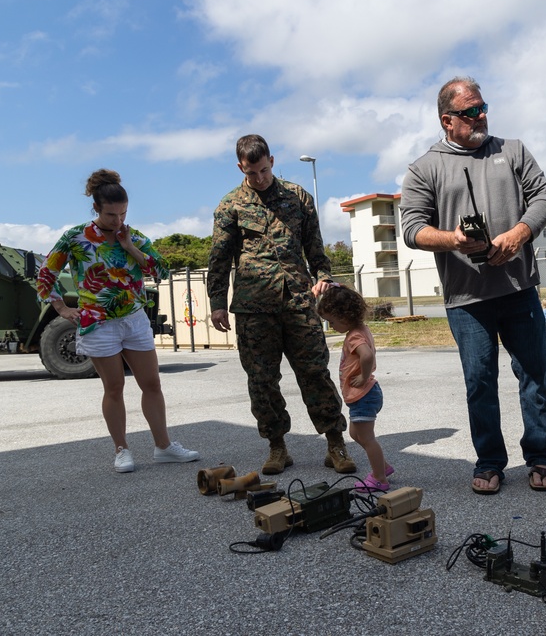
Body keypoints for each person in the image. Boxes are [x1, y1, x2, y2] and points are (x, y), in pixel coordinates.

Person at [400, 76, 546, 494]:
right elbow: (412, 229)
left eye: (483, 107)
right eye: (470, 112)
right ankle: (489, 461)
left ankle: (540, 458)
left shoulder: (514, 150)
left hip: (519, 287)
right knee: (480, 382)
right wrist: (453, 239)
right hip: (466, 299)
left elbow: (544, 198)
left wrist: (519, 233)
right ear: (447, 120)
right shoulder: (424, 168)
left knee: (535, 376)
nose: (481, 116)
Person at [207, 134, 355, 476]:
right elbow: (219, 258)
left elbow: (315, 248)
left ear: (271, 160)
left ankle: (335, 442)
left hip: (299, 301)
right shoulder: (230, 206)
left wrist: (323, 275)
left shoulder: (297, 197)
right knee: (261, 380)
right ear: (240, 167)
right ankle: (277, 447)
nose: (259, 178)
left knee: (315, 373)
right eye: (251, 172)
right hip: (253, 307)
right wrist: (217, 302)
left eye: (262, 170)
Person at [37, 169, 199, 473]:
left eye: (123, 213)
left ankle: (164, 447)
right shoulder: (75, 237)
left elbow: (161, 270)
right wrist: (60, 308)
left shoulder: (133, 235)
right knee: (113, 387)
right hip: (98, 322)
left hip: (134, 319)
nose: (118, 220)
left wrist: (130, 248)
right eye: (111, 214)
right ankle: (121, 449)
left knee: (152, 383)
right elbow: (46, 272)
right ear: (96, 209)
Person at [316, 284, 394, 493]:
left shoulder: (354, 337)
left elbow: (366, 355)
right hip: (362, 396)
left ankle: (379, 478)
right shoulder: (359, 329)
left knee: (367, 438)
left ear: (345, 316)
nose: (330, 326)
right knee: (356, 434)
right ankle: (383, 467)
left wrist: (364, 376)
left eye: (332, 321)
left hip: (364, 395)